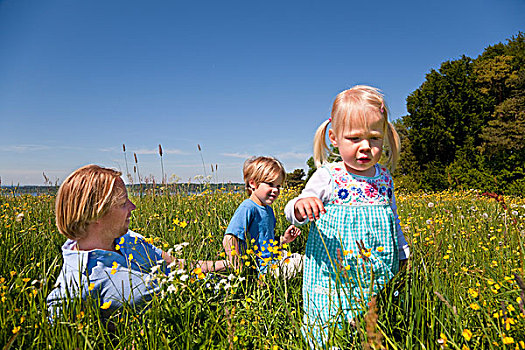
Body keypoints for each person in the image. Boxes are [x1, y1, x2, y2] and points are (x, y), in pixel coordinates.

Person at [284, 85, 410, 347]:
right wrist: (301, 205)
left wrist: (403, 250)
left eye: (374, 138)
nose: (365, 147)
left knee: (374, 320)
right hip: (332, 273)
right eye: (354, 139)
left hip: (376, 269)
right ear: (334, 138)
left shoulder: (384, 178)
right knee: (329, 321)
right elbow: (293, 209)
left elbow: (392, 219)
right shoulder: (328, 176)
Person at [47, 164, 227, 319]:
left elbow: (176, 265)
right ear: (96, 214)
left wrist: (228, 264)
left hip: (213, 301)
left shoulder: (128, 239)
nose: (133, 207)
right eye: (123, 203)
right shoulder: (78, 283)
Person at [222, 156, 302, 278]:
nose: (275, 190)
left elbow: (266, 243)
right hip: (263, 268)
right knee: (306, 265)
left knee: (304, 260)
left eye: (278, 186)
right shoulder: (248, 207)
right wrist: (238, 267)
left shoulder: (268, 210)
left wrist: (284, 240)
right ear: (253, 183)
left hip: (274, 260)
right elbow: (229, 238)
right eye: (270, 184)